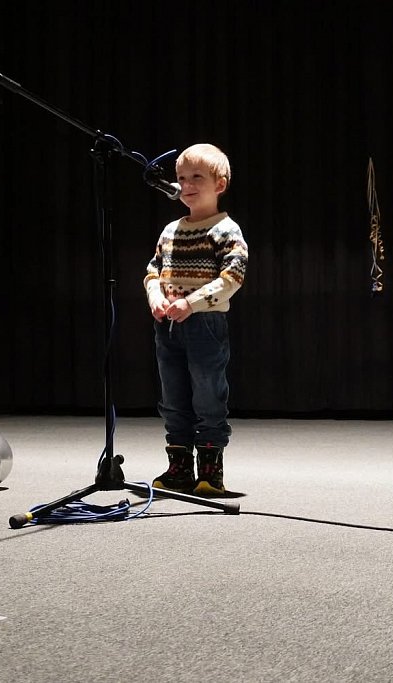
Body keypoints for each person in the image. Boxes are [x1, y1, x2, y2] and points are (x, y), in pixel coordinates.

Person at [144, 143, 248, 495]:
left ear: (220, 184)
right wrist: (156, 297)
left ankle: (210, 468)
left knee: (207, 394)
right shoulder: (170, 230)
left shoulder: (226, 229)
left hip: (205, 324)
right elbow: (153, 271)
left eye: (196, 177)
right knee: (172, 397)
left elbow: (232, 278)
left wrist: (191, 303)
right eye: (181, 178)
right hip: (169, 325)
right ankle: (179, 466)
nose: (186, 185)